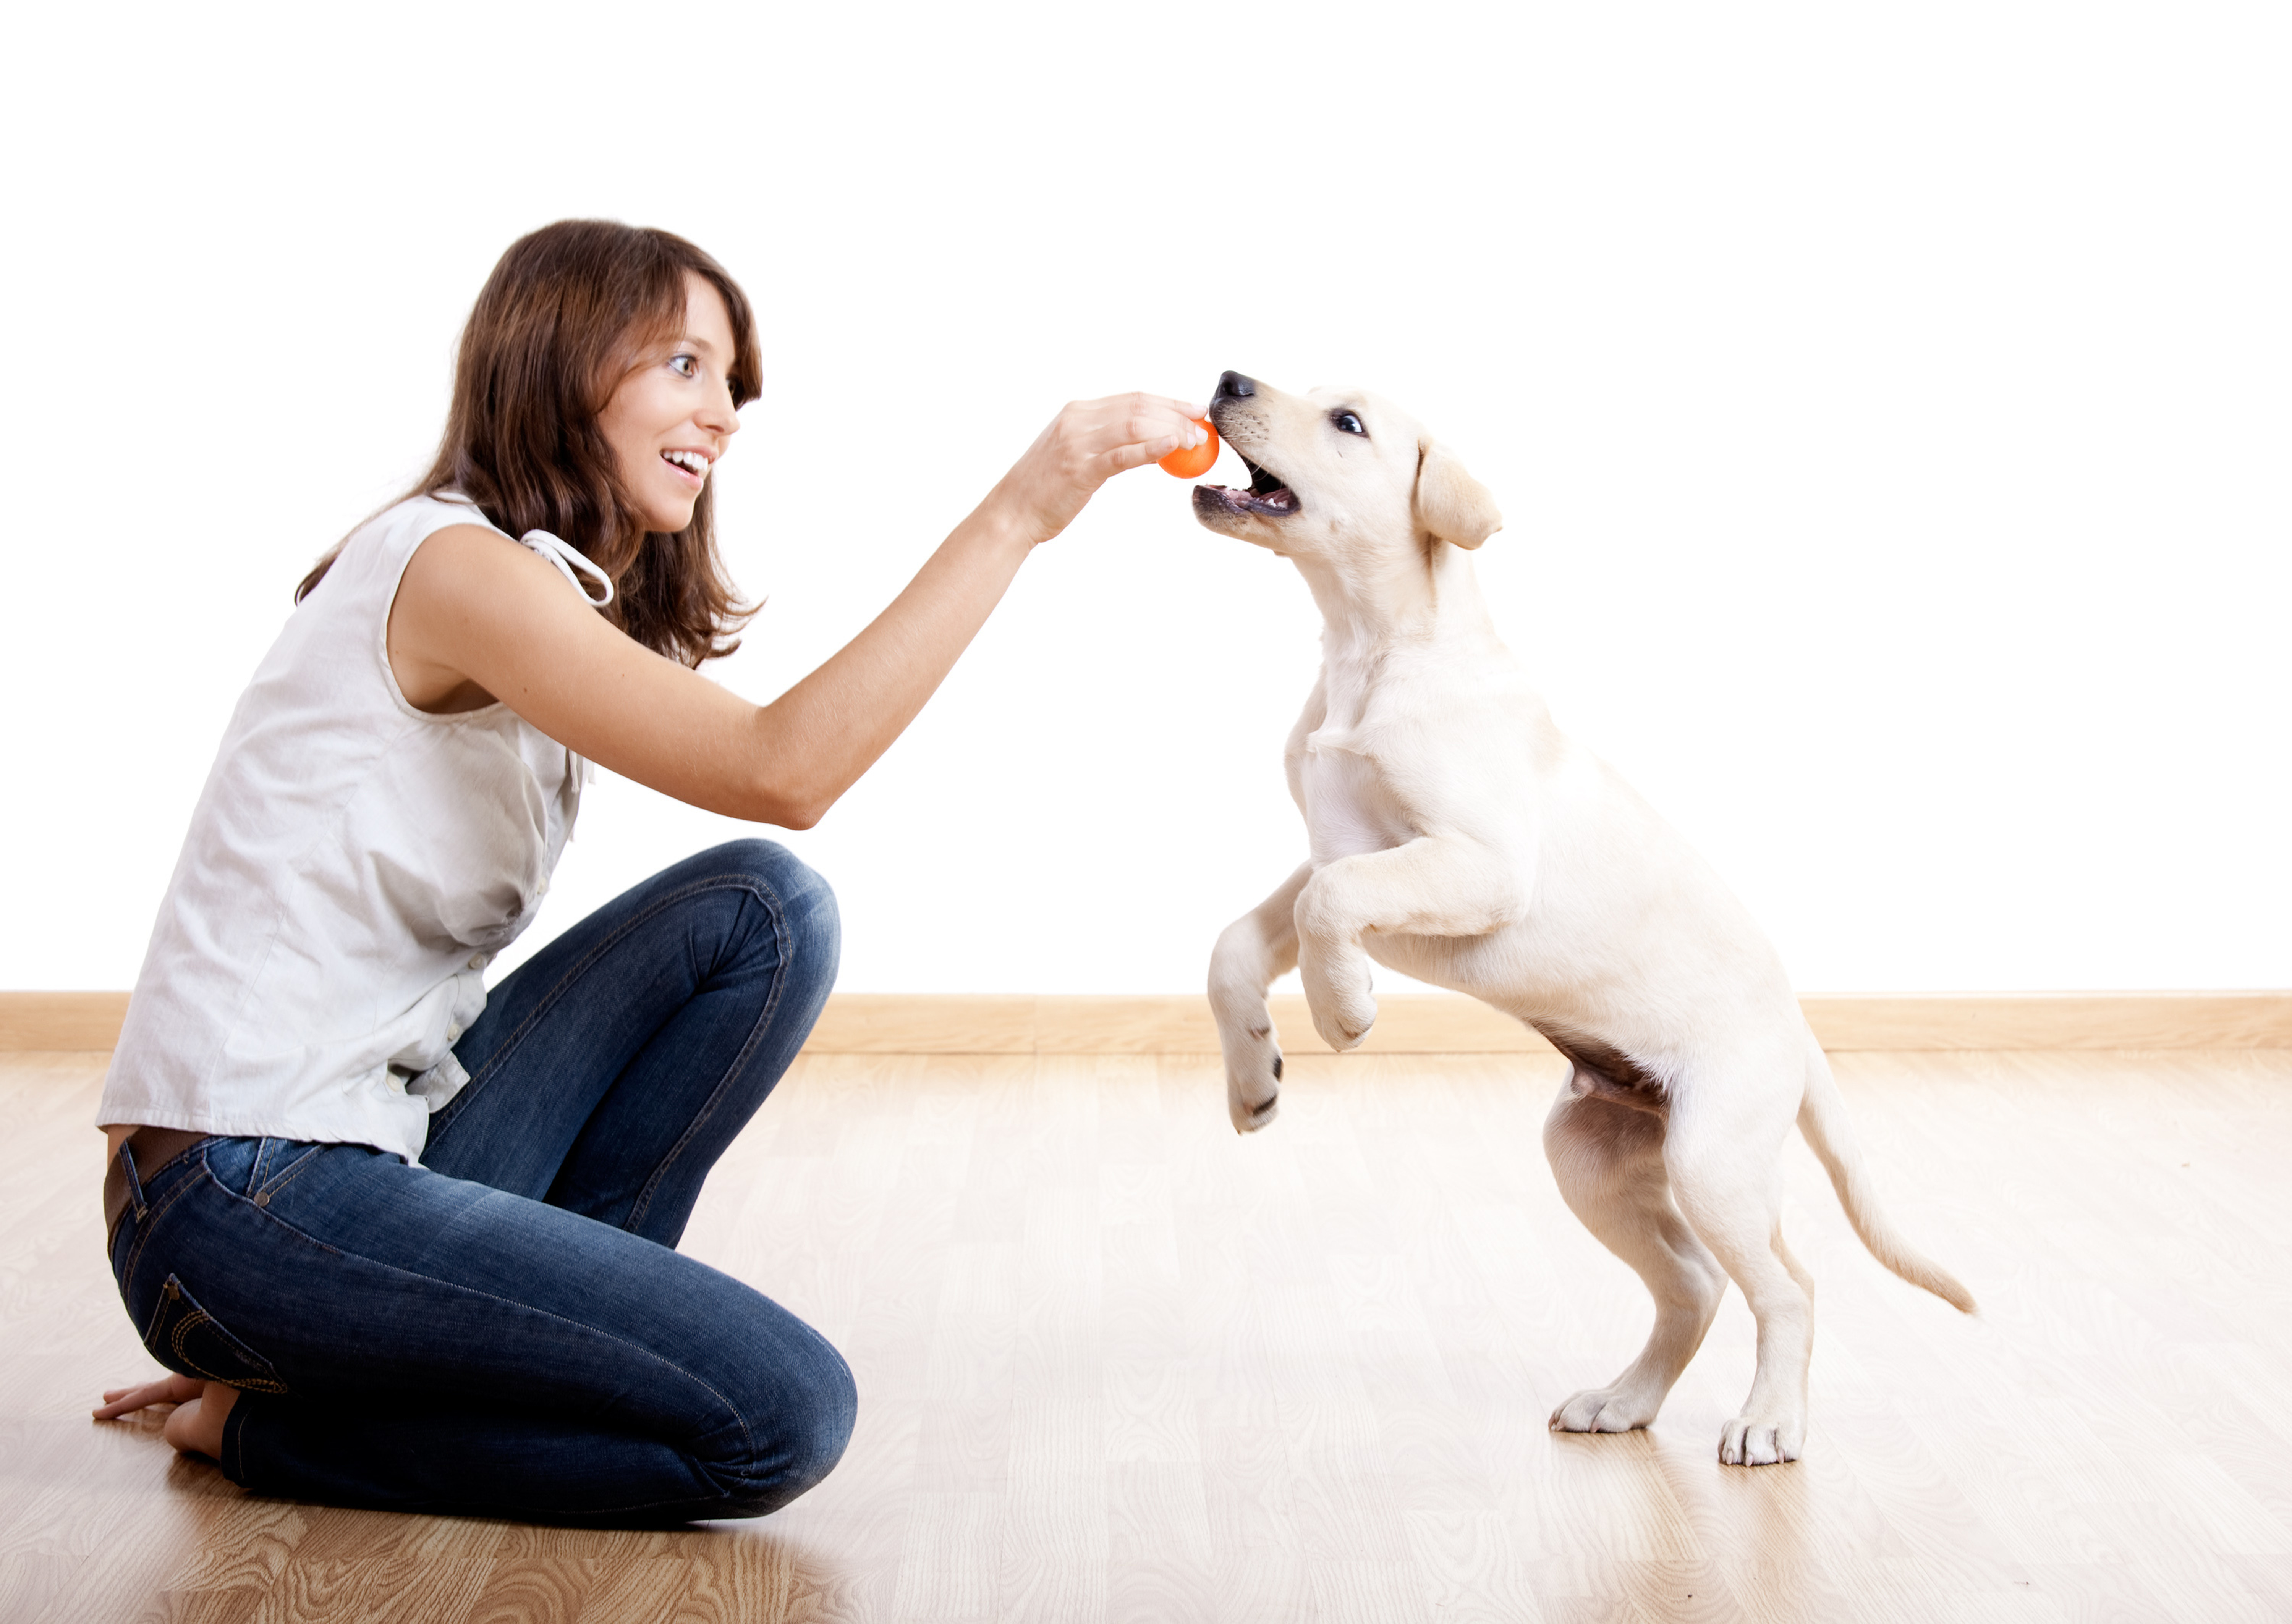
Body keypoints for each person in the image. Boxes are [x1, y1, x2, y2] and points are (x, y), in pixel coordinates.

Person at [91, 218, 1206, 1523]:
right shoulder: (452, 567)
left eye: (729, 381)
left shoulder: (538, 584)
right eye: (684, 363)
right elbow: (786, 767)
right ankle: (270, 1434)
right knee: (784, 1415)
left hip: (367, 1147)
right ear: (563, 364)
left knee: (761, 911)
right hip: (238, 1196)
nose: (723, 413)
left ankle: (544, 1363)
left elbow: (769, 825)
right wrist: (1025, 509)